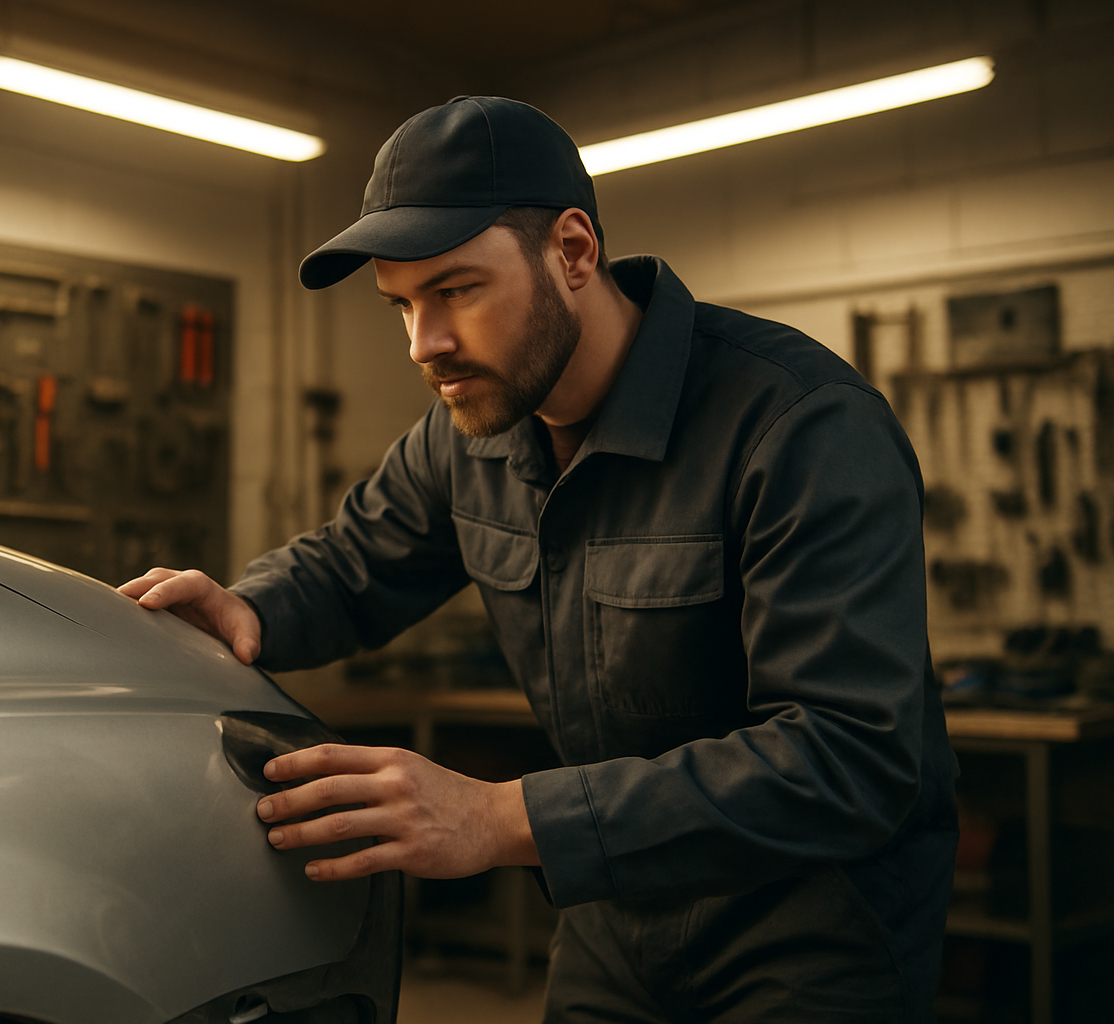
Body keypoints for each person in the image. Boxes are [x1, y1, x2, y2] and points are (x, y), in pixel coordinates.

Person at [118, 96, 958, 1023]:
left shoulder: (799, 426)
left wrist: (496, 819)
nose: (423, 345)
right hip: (614, 909)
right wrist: (252, 608)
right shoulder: (469, 432)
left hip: (808, 920)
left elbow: (852, 760)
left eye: (457, 290)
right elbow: (353, 560)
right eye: (401, 305)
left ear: (573, 252)